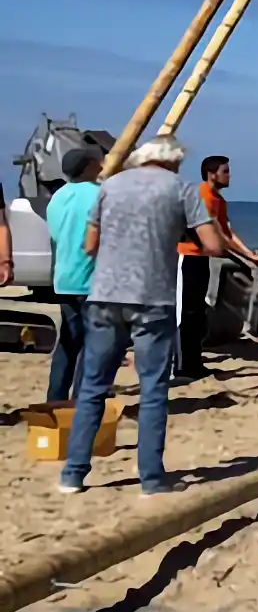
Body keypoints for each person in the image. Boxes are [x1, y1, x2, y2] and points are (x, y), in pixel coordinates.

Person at [60, 134, 222, 495]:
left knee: (92, 387)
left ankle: (73, 473)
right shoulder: (180, 189)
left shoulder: (109, 186)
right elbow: (213, 245)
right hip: (152, 297)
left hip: (105, 294)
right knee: (152, 389)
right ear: (173, 161)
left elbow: (89, 246)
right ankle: (150, 478)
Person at [174, 154, 258, 381]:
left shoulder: (219, 200)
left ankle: (193, 361)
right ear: (212, 173)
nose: (229, 175)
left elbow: (227, 232)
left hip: (202, 258)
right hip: (187, 257)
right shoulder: (202, 196)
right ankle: (183, 364)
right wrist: (248, 258)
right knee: (186, 312)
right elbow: (216, 233)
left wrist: (250, 255)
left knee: (196, 311)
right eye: (225, 171)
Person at [44, 147, 103, 402]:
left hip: (64, 277)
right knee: (93, 346)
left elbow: (56, 234)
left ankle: (55, 398)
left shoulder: (57, 197)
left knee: (67, 343)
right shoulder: (99, 194)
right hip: (92, 279)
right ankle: (83, 400)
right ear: (88, 166)